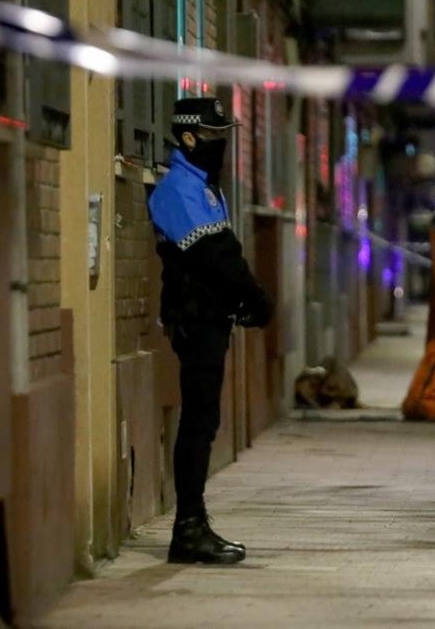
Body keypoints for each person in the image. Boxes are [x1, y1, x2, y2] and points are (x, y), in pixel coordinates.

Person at [147, 97, 274, 565]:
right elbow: (216, 255)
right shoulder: (179, 189)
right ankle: (188, 529)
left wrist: (244, 298)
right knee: (198, 424)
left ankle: (194, 524)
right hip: (195, 320)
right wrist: (254, 296)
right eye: (212, 136)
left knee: (204, 422)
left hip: (210, 318)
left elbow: (224, 252)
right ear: (187, 137)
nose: (219, 144)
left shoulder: (203, 187)